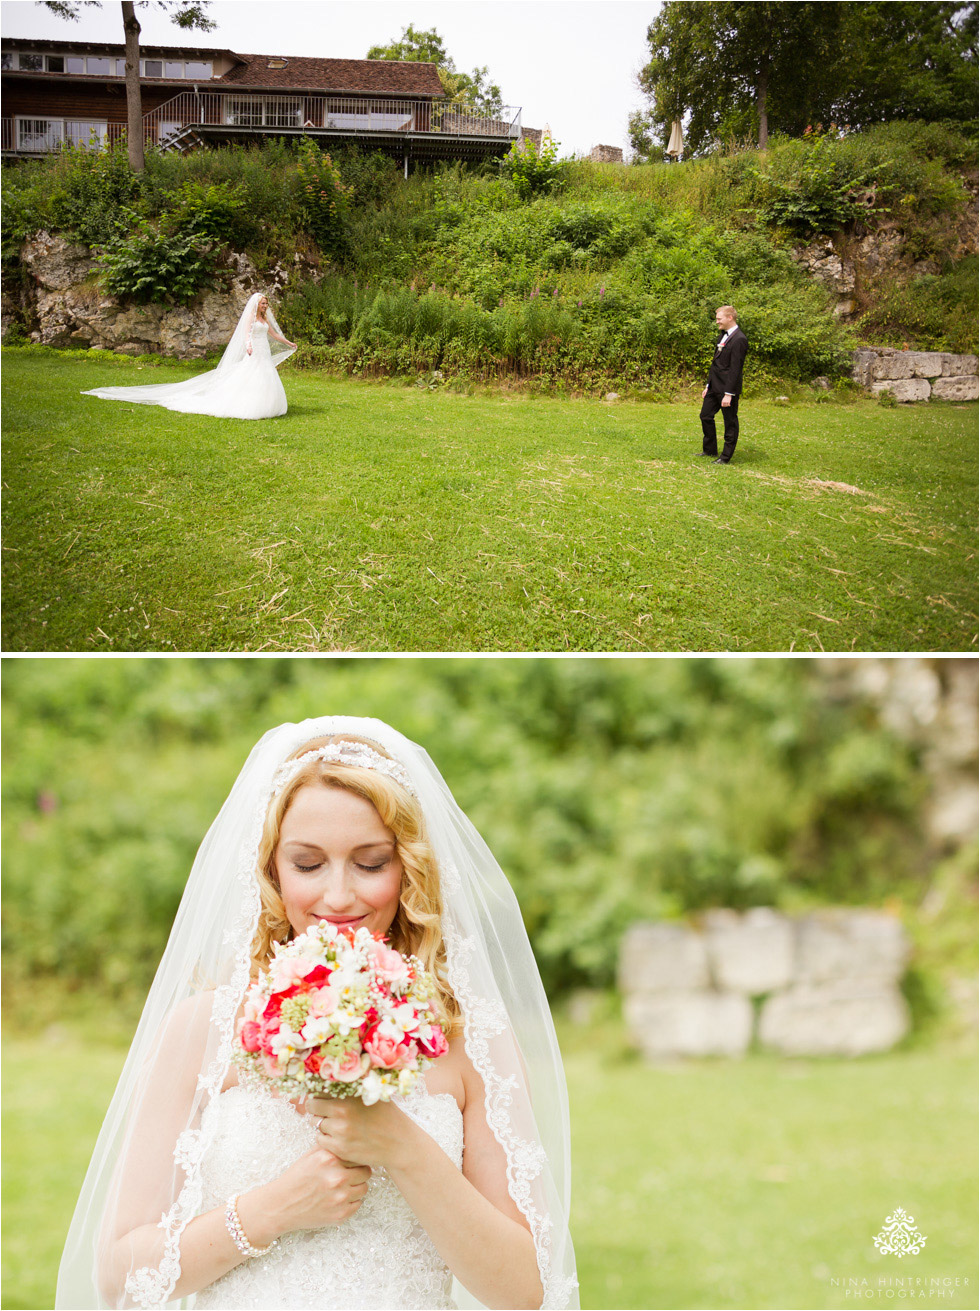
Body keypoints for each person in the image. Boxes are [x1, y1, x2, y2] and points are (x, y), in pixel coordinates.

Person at [56, 717, 578, 1311]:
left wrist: (402, 1147)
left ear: (409, 867)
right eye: (308, 864)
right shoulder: (203, 1029)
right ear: (272, 870)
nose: (337, 897)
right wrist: (268, 1210)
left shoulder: (472, 1039)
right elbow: (119, 1275)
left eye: (371, 862)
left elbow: (524, 1292)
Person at [81, 293, 297, 420]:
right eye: (263, 304)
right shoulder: (250, 317)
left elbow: (273, 333)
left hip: (264, 352)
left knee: (265, 375)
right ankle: (250, 405)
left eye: (266, 304)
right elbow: (245, 334)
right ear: (256, 305)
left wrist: (287, 342)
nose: (265, 306)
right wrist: (248, 346)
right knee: (251, 376)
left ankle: (267, 405)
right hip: (254, 350)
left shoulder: (264, 319)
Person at [699, 305, 748, 464]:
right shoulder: (722, 336)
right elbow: (715, 364)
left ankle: (725, 457)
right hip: (714, 386)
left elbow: (735, 369)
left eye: (719, 319)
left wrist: (729, 393)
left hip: (727, 389)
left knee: (730, 422)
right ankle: (710, 450)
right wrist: (708, 385)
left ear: (730, 318)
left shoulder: (740, 339)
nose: (717, 322)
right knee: (705, 415)